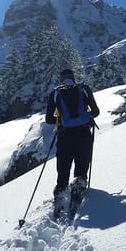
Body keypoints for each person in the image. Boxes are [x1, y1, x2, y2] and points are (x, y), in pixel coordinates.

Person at [45, 68, 100, 202]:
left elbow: (48, 119)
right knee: (82, 163)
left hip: (65, 135)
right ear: (73, 77)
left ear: (61, 79)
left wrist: (61, 120)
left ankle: (61, 189)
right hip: (83, 132)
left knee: (63, 165)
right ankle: (78, 186)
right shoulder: (83, 88)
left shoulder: (55, 93)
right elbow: (96, 111)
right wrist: (86, 116)